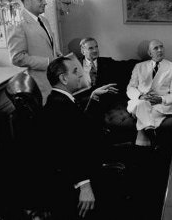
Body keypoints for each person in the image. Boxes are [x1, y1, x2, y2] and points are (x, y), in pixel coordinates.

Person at [41, 56, 118, 219]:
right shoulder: (59, 108)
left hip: (89, 159)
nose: (81, 75)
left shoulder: (60, 100)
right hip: (79, 175)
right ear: (63, 78)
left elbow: (81, 126)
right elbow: (66, 151)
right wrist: (84, 185)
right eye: (76, 72)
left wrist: (94, 97)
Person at [7, 0, 62, 103]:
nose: (45, 2)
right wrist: (47, 62)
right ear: (27, 1)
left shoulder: (44, 20)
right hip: (39, 83)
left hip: (53, 81)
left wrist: (57, 55)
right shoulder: (17, 24)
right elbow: (17, 58)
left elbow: (48, 45)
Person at [127, 39, 172, 147]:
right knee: (142, 104)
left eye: (161, 47)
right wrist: (140, 96)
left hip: (160, 104)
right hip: (140, 101)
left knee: (143, 112)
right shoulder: (139, 67)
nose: (160, 50)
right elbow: (131, 87)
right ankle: (152, 135)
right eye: (156, 48)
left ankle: (144, 146)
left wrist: (161, 99)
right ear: (149, 53)